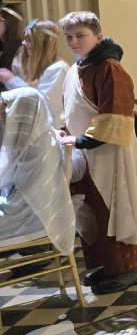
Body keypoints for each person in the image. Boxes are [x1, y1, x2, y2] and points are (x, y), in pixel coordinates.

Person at [58, 11, 137, 294]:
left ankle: (130, 268)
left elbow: (116, 116)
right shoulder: (78, 67)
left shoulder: (109, 68)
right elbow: (74, 108)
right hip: (84, 151)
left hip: (111, 153)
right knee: (95, 210)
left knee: (117, 209)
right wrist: (66, 132)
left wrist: (81, 140)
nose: (74, 42)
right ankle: (106, 266)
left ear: (98, 37)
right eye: (69, 37)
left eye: (80, 36)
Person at [0, 87, 76, 256]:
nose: (2, 117)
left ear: (23, 111)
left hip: (28, 215)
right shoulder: (36, 136)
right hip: (18, 206)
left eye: (6, 111)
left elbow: (24, 198)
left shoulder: (38, 147)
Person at [0, 20, 70, 129]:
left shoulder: (58, 69)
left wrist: (12, 80)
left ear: (42, 42)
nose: (23, 43)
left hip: (52, 132)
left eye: (28, 39)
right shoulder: (38, 67)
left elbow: (42, 105)